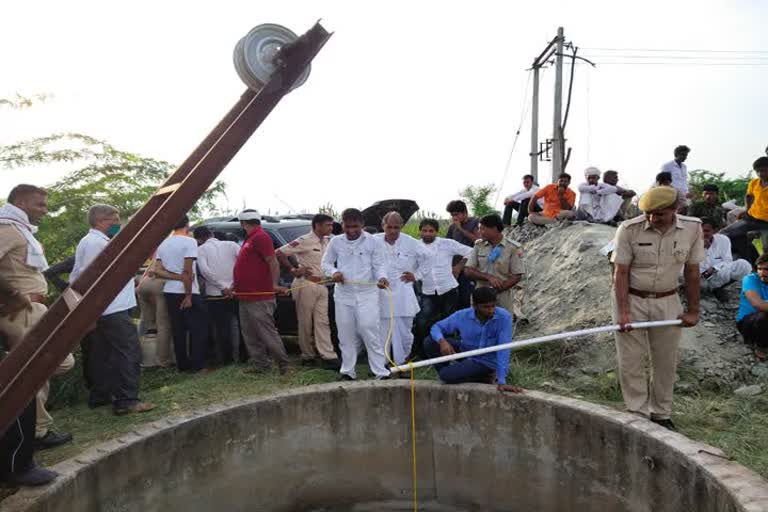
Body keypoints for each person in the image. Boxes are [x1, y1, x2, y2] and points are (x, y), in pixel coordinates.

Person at [611, 186, 704, 431]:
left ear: (675, 209)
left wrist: (693, 310)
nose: (652, 218)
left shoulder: (693, 228)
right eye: (648, 213)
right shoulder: (628, 229)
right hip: (632, 298)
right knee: (631, 360)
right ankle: (637, 414)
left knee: (665, 361)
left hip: (668, 300)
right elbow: (620, 272)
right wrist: (623, 312)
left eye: (659, 214)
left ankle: (661, 414)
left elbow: (692, 272)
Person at [0, 185, 74, 452]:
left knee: (41, 367)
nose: (45, 210)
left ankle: (35, 428)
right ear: (20, 201)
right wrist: (11, 293)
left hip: (33, 310)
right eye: (40, 204)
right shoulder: (7, 228)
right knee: (38, 367)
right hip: (23, 312)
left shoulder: (21, 230)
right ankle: (35, 431)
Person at [70, 205, 155, 415]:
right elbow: (92, 279)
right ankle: (127, 401)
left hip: (106, 307)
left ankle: (102, 396)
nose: (118, 224)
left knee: (104, 355)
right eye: (114, 220)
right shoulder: (95, 244)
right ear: (100, 220)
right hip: (111, 307)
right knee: (128, 352)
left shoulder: (94, 241)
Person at [321, 208, 390, 380]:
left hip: (368, 294)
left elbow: (379, 265)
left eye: (355, 227)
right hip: (344, 295)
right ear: (342, 224)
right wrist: (334, 272)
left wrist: (382, 277)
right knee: (345, 334)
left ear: (362, 225)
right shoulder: (336, 242)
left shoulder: (373, 242)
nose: (351, 231)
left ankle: (380, 371)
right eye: (347, 226)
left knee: (369, 329)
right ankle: (348, 372)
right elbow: (326, 263)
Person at [423, 287, 522, 392]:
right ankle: (453, 373)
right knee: (430, 342)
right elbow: (436, 327)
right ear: (474, 306)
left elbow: (504, 349)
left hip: (486, 361)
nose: (491, 310)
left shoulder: (504, 317)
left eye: (493, 306)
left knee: (446, 375)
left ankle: (484, 376)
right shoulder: (462, 315)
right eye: (486, 307)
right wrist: (442, 341)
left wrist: (502, 381)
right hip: (466, 351)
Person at [276, 214, 340, 370]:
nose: (330, 228)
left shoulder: (327, 241)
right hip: (306, 284)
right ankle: (307, 355)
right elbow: (279, 252)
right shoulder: (304, 240)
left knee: (322, 322)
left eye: (331, 225)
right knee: (305, 322)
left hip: (323, 284)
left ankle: (327, 355)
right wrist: (293, 269)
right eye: (328, 225)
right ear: (317, 225)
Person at [232, 209, 290, 375]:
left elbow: (273, 262)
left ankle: (284, 365)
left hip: (259, 297)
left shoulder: (261, 237)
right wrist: (233, 287)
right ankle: (261, 364)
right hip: (245, 296)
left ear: (242, 223)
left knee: (266, 333)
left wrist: (273, 284)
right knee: (250, 334)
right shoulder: (251, 238)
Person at [373, 211, 431, 366]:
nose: (392, 231)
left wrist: (417, 275)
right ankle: (382, 364)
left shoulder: (410, 242)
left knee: (404, 332)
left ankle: (401, 364)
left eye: (396, 227)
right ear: (383, 226)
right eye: (389, 227)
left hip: (404, 293)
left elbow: (430, 257)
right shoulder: (373, 241)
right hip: (381, 293)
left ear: (401, 227)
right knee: (382, 331)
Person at [154, 214, 209, 373]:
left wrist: (176, 277)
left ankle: (182, 365)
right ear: (187, 224)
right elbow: (188, 270)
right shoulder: (190, 241)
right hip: (188, 290)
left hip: (170, 290)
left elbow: (157, 271)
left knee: (178, 329)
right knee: (198, 329)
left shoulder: (164, 243)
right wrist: (189, 295)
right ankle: (197, 366)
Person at [414, 218, 472, 354]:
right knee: (422, 320)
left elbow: (470, 251)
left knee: (449, 320)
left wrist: (458, 266)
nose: (428, 234)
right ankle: (424, 352)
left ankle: (450, 351)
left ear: (437, 232)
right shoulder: (414, 247)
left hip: (448, 288)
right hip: (427, 290)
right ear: (419, 232)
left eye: (431, 231)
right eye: (424, 231)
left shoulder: (447, 244)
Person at [464, 214, 525, 323]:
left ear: (494, 229)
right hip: (480, 297)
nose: (479, 231)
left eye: (482, 228)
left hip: (502, 297)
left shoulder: (513, 247)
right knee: (477, 328)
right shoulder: (479, 245)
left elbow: (517, 276)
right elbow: (468, 270)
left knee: (502, 329)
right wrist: (488, 277)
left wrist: (494, 292)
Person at [194, 226, 240, 365]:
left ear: (199, 239)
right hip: (236, 292)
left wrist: (222, 287)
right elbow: (242, 264)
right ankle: (242, 357)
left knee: (221, 329)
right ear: (212, 234)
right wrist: (233, 284)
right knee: (239, 326)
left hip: (215, 295)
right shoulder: (232, 245)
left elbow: (205, 271)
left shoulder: (200, 250)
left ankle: (226, 360)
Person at [720, 157, 768, 264]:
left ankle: (764, 273)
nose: (760, 173)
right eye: (758, 171)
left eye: (764, 170)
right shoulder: (754, 183)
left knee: (766, 251)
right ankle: (745, 261)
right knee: (724, 234)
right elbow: (749, 196)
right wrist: (747, 209)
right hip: (751, 218)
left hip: (766, 223)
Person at [699, 219, 752, 295]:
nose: (702, 233)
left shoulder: (723, 240)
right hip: (698, 277)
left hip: (716, 273)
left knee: (743, 265)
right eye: (700, 231)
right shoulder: (691, 241)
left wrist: (714, 268)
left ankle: (718, 289)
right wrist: (701, 248)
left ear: (715, 231)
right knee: (701, 286)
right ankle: (706, 289)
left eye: (706, 231)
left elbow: (728, 261)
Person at [445, 200, 480, 308]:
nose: (454, 217)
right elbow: (447, 245)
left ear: (464, 212)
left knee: (467, 296)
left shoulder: (475, 222)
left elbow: (479, 241)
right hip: (455, 267)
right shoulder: (452, 227)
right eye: (452, 215)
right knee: (455, 298)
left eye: (456, 214)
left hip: (469, 267)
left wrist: (460, 229)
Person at [736, 254, 768, 359]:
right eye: (759, 269)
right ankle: (761, 346)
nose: (762, 273)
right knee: (764, 316)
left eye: (766, 269)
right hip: (749, 323)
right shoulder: (750, 279)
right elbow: (757, 304)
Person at [660, 145, 692, 211]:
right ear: (676, 154)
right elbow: (663, 182)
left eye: (686, 155)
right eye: (683, 154)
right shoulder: (667, 166)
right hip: (672, 196)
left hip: (684, 197)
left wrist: (687, 192)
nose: (685, 157)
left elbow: (684, 182)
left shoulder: (684, 167)